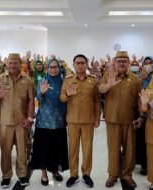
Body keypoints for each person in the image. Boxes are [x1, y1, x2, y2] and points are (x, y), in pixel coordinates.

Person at [0, 53, 35, 188]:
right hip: (4, 123)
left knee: (22, 151)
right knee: (5, 152)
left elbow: (31, 100)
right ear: (6, 63)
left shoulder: (27, 80)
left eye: (15, 63)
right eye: (10, 63)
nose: (12, 65)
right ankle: (6, 176)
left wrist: (30, 118)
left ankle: (22, 175)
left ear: (20, 63)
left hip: (22, 122)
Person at [99, 51, 142, 188]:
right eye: (119, 61)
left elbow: (140, 99)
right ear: (115, 63)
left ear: (128, 63)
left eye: (124, 61)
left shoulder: (135, 79)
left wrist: (141, 116)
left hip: (130, 120)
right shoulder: (108, 75)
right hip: (112, 119)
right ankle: (113, 175)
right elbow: (100, 89)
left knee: (129, 151)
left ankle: (127, 175)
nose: (122, 63)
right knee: (113, 149)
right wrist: (109, 85)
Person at [60, 54, 101, 188]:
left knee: (87, 149)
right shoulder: (68, 80)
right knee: (73, 149)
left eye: (83, 63)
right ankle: (73, 175)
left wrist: (97, 118)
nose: (80, 65)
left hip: (88, 120)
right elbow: (61, 98)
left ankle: (86, 174)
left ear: (86, 64)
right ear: (73, 65)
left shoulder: (93, 80)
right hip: (73, 120)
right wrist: (68, 94)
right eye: (77, 63)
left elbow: (96, 100)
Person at [30, 59, 69, 186]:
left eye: (55, 67)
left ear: (59, 68)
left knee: (57, 148)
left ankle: (55, 170)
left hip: (59, 121)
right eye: (50, 67)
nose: (53, 69)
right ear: (47, 68)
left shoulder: (63, 81)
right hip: (44, 122)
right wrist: (42, 92)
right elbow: (39, 98)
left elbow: (66, 99)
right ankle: (43, 173)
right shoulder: (42, 80)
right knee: (43, 148)